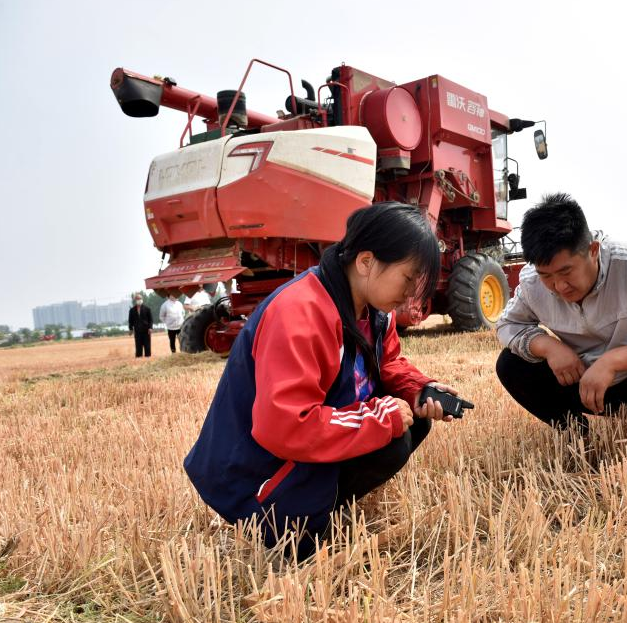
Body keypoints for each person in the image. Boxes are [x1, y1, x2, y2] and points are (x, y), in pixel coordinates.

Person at [184, 203, 462, 559]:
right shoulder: (299, 312)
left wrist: (418, 390)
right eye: (408, 279)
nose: (411, 294)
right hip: (255, 476)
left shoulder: (375, 311)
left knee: (412, 420)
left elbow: (388, 363)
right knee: (391, 431)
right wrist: (379, 419)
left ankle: (319, 504)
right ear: (366, 262)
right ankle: (284, 524)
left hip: (304, 445)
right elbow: (285, 425)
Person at [496, 193, 627, 437]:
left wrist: (613, 361)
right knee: (510, 364)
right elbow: (508, 324)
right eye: (547, 276)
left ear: (593, 250)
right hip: (579, 380)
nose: (560, 286)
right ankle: (576, 435)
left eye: (566, 272)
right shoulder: (532, 282)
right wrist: (549, 347)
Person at [127, 293, 153, 358]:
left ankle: (148, 357)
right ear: (135, 300)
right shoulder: (132, 310)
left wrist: (150, 328)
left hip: (146, 330)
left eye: (140, 298)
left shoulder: (147, 309)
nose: (139, 300)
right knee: (138, 345)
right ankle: (139, 357)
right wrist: (130, 329)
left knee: (147, 345)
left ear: (142, 299)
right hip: (137, 331)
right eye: (137, 299)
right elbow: (130, 321)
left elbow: (151, 320)